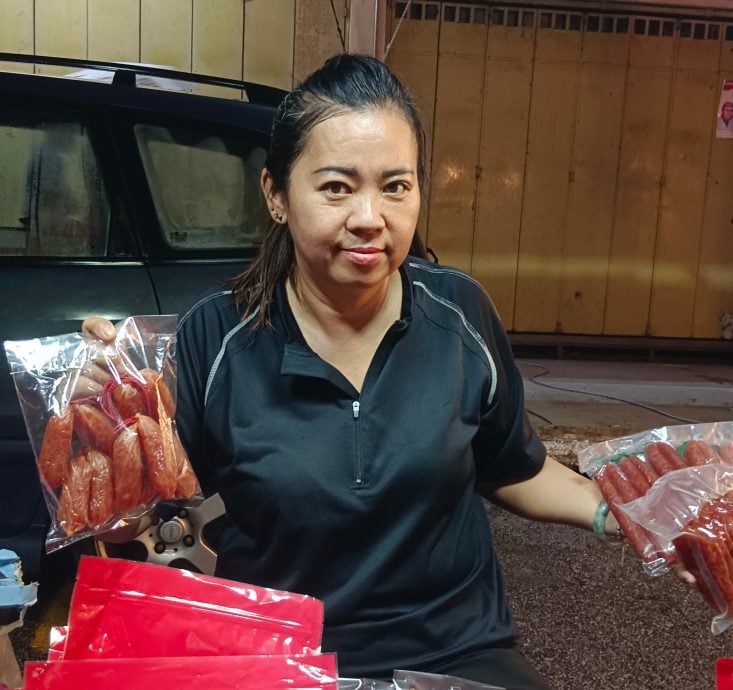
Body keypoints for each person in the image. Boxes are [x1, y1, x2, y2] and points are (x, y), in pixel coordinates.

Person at [82, 54, 688, 689]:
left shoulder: (460, 316)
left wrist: (616, 510)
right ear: (277, 196)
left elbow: (514, 466)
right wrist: (102, 415)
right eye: (337, 187)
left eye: (395, 186)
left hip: (455, 649)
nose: (370, 216)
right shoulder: (216, 336)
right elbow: (134, 517)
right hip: (277, 651)